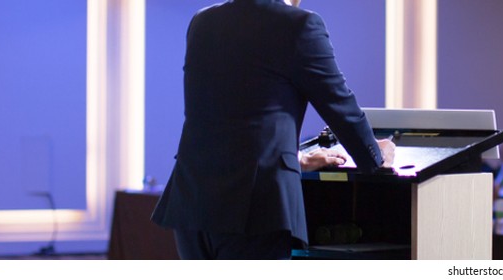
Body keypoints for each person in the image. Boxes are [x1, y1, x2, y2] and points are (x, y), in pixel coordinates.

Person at [151, 0, 395, 260]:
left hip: (192, 204)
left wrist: (295, 159)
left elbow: (229, 115)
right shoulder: (300, 26)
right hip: (252, 211)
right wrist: (375, 153)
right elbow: (339, 104)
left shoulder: (203, 21)